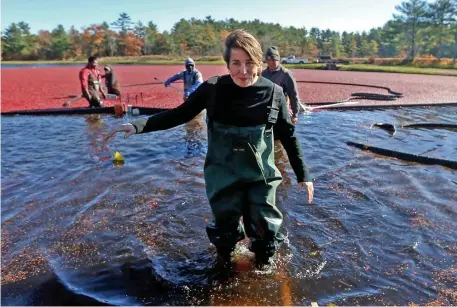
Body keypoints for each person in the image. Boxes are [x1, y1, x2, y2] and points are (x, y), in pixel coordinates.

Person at [105, 29, 314, 266]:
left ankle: (264, 267)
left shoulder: (274, 94)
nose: (243, 72)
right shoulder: (213, 89)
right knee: (224, 233)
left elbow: (288, 135)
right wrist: (138, 126)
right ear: (227, 63)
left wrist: (303, 174)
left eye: (249, 63)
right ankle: (225, 265)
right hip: (222, 175)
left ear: (259, 62)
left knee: (266, 231)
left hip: (261, 178)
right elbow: (181, 114)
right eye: (235, 63)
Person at [262, 46, 307, 124]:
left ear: (278, 60)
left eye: (274, 60)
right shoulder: (263, 74)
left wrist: (295, 115)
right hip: (266, 112)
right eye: (269, 60)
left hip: (281, 112)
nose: (271, 62)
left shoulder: (286, 74)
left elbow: (293, 95)